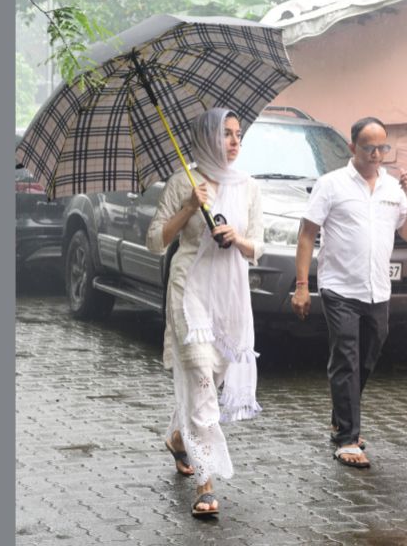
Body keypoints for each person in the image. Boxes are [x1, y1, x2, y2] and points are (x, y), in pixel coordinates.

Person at [146, 108, 264, 516]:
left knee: (212, 379)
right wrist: (188, 206)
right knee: (199, 380)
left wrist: (238, 238)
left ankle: (179, 439)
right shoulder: (184, 181)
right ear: (207, 137)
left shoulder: (247, 186)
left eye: (238, 135)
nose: (234, 142)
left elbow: (258, 245)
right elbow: (155, 241)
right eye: (225, 134)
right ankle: (205, 483)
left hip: (229, 297)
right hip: (189, 292)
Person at [290, 117, 407, 468]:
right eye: (369, 148)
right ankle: (347, 439)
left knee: (367, 358)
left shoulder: (393, 188)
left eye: (382, 148)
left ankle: (341, 417)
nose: (376, 154)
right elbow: (306, 235)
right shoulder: (331, 184)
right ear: (353, 148)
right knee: (346, 358)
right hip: (339, 287)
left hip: (378, 289)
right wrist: (302, 286)